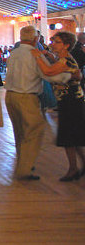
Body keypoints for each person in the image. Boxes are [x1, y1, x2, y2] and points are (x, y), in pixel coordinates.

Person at [5, 26, 72, 180]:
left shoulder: (13, 53)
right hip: (26, 97)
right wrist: (66, 77)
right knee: (35, 130)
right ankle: (25, 169)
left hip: (11, 96)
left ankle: (23, 163)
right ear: (35, 39)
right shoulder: (34, 55)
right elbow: (47, 74)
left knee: (19, 132)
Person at [31, 31, 85, 181]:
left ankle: (73, 169)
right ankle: (80, 165)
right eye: (53, 40)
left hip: (71, 102)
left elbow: (48, 71)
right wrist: (48, 55)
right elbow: (58, 63)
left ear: (66, 45)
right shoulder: (63, 58)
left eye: (57, 42)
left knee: (68, 136)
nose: (52, 43)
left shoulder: (65, 61)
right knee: (74, 135)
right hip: (70, 101)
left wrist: (37, 56)